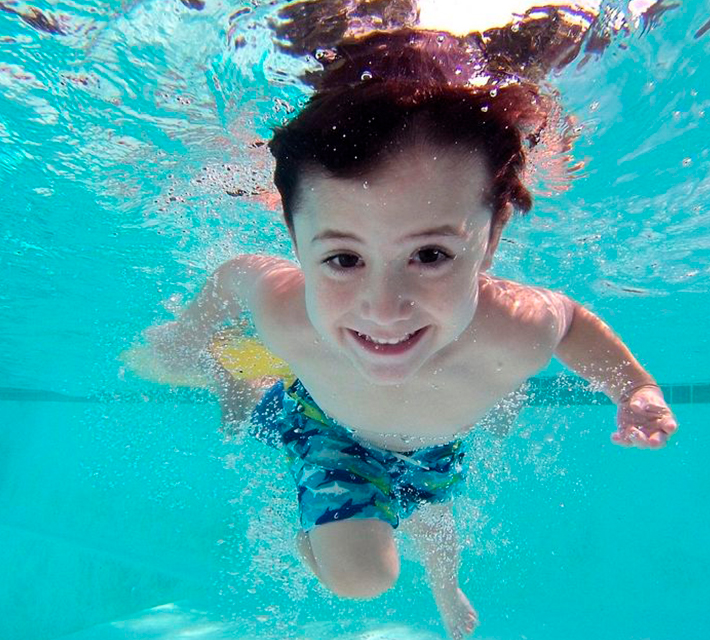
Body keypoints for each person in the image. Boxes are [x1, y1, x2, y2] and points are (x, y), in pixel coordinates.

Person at [128, 28, 678, 640]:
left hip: (436, 444)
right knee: (362, 577)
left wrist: (634, 390)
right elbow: (234, 278)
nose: (384, 309)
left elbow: (573, 324)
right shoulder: (287, 311)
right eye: (343, 260)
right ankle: (245, 386)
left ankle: (445, 589)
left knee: (435, 527)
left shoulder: (516, 325)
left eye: (432, 254)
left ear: (492, 237)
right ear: (293, 237)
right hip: (327, 432)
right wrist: (187, 333)